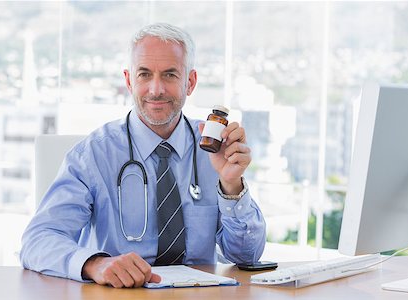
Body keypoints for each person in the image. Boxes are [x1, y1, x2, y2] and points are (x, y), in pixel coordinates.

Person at [20, 23, 266, 288]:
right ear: (128, 80)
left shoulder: (214, 148)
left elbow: (247, 256)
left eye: (170, 75)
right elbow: (38, 240)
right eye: (144, 75)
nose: (156, 89)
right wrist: (95, 264)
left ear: (190, 82)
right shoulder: (93, 155)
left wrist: (231, 186)